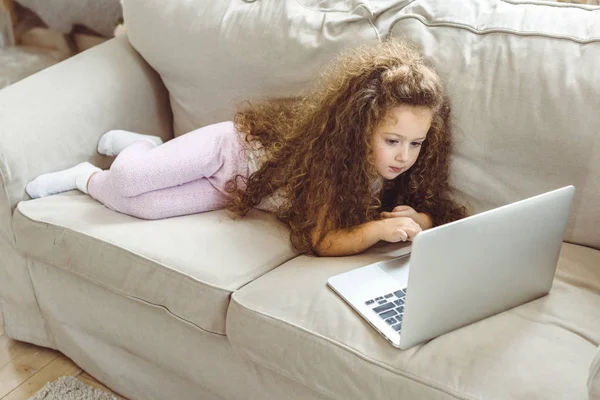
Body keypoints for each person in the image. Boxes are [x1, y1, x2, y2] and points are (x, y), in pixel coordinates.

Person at [26, 38, 468, 257]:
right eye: (392, 141)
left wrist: (421, 219)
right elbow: (322, 239)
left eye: (415, 143)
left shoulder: (401, 171)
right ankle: (102, 168)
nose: (403, 156)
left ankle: (115, 163)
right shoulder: (334, 159)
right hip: (228, 152)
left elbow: (434, 212)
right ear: (359, 128)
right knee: (129, 180)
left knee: (140, 206)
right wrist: (378, 231)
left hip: (235, 189)